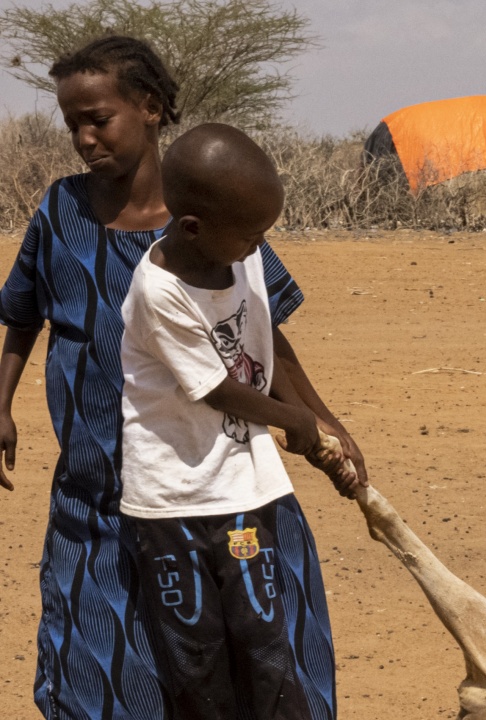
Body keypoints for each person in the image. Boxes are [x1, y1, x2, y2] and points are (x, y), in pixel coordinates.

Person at [0, 35, 365, 719]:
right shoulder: (60, 214)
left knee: (253, 664)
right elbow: (23, 312)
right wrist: (3, 401)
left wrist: (323, 421)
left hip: (220, 486)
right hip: (98, 490)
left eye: (99, 119)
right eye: (71, 122)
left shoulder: (222, 219)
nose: (83, 138)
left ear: (152, 107)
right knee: (101, 674)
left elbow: (267, 336)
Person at [119, 122, 360, 719]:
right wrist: (292, 421)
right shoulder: (159, 290)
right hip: (173, 502)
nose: (260, 247)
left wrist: (324, 419)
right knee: (196, 658)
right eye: (252, 235)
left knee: (264, 643)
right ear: (195, 227)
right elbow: (217, 389)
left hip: (241, 493)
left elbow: (263, 333)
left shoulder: (240, 252)